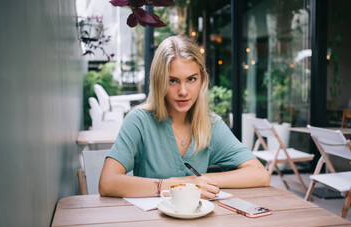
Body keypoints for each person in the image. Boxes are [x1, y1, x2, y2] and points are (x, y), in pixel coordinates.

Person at [99, 36, 270, 199]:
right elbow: (107, 182)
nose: (183, 91)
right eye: (172, 80)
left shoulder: (211, 125)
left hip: (199, 223)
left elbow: (260, 175)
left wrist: (201, 182)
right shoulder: (139, 121)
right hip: (150, 225)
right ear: (159, 81)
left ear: (202, 79)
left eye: (191, 79)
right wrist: (174, 185)